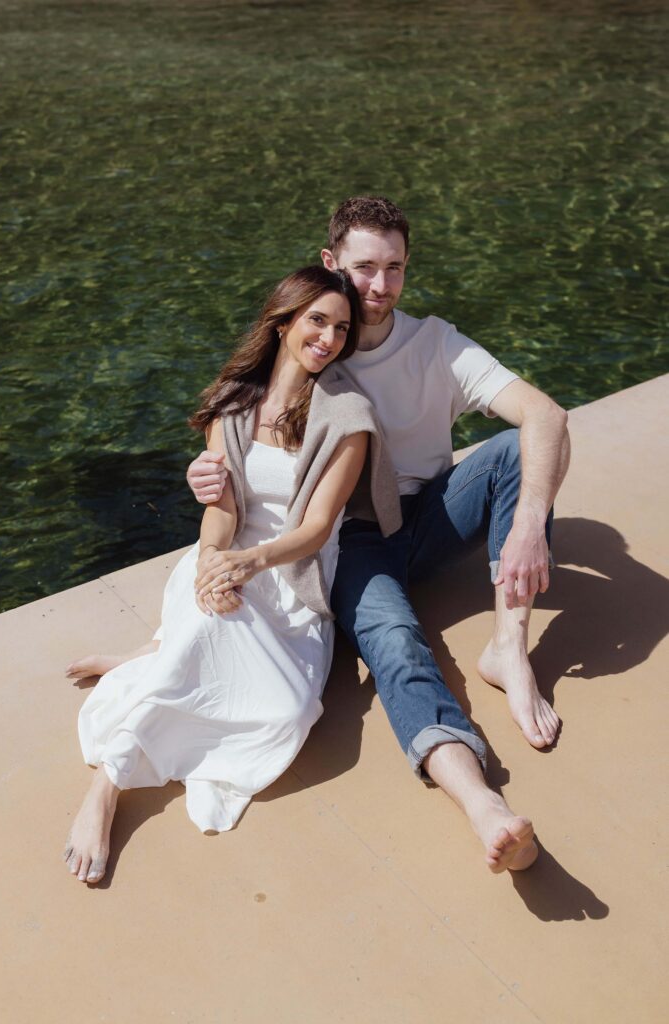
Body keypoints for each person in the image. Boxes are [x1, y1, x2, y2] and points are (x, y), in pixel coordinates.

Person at [187, 196, 571, 873]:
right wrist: (204, 476)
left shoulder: (435, 344)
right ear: (331, 262)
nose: (380, 286)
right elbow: (246, 423)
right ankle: (483, 805)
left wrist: (529, 528)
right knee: (396, 644)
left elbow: (543, 413)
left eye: (394, 268)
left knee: (517, 450)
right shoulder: (313, 348)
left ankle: (508, 648)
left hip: (430, 513)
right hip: (352, 540)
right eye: (364, 268)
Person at [63, 265, 402, 885]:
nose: (327, 338)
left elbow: (318, 527)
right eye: (316, 321)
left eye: (340, 329)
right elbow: (219, 514)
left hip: (290, 576)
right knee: (204, 628)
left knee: (288, 714)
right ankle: (105, 791)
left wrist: (251, 562)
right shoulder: (234, 405)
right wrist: (213, 564)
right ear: (283, 322)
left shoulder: (348, 415)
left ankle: (151, 656)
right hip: (226, 557)